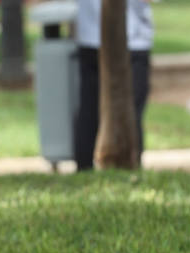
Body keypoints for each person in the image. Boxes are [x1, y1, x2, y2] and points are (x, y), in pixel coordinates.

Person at [73, 0, 154, 170]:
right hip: (132, 41)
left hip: (89, 37)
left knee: (89, 106)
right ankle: (129, 164)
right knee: (130, 109)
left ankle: (84, 166)